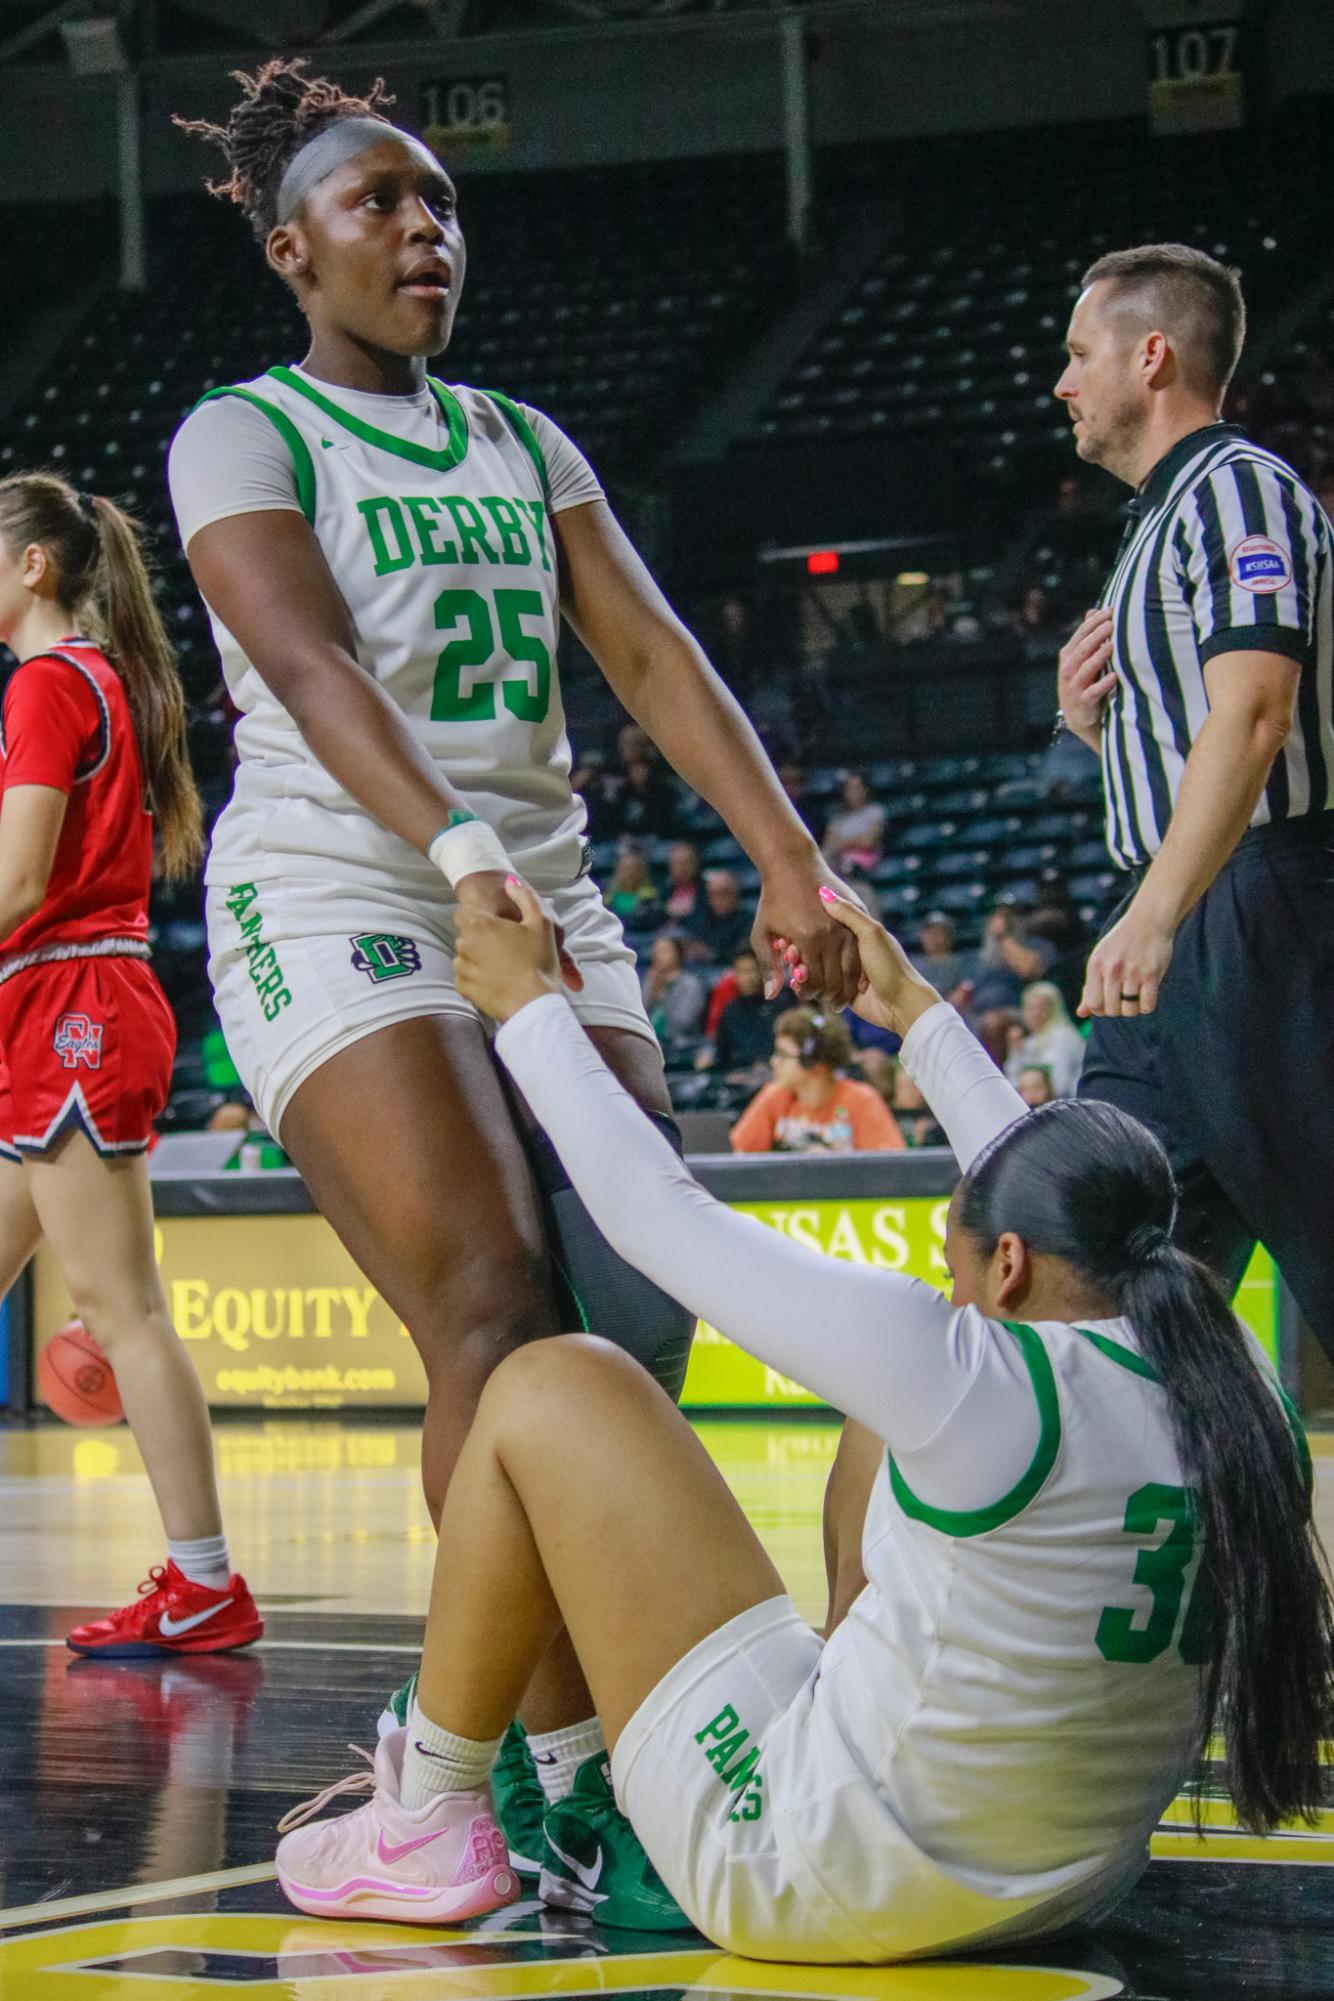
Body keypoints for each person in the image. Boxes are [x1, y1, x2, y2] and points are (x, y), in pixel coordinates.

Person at [169, 59, 858, 1908]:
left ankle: (509, 1733)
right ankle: (524, 1778)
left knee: (632, 1320)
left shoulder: (521, 438)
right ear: (289, 242)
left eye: (440, 204)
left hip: (537, 883)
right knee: (488, 1302)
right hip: (343, 882)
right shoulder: (241, 432)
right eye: (377, 202)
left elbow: (640, 644)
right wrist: (459, 850)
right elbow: (310, 665)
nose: (420, 229)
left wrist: (787, 854)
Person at [274, 882, 1331, 1963]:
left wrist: (531, 1007)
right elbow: (1052, 1181)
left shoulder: (981, 1381)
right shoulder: (1231, 1372)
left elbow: (653, 1214)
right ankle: (818, 1715)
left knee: (553, 1382)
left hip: (814, 1880)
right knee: (884, 1433)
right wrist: (916, 1015)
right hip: (1060, 1885)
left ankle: (426, 1816)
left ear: (1006, 1265)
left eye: (966, 1264)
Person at [0, 472, 261, 1657]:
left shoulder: (50, 685)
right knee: (118, 1305)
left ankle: (204, 1581)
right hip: (70, 995)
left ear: (33, 566)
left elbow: (15, 884)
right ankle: (202, 1580)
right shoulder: (102, 675)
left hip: (71, 1003)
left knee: (123, 1313)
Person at [1055, 243, 1334, 1352]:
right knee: (1108, 1267)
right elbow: (1209, 725)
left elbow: (1255, 714)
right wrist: (1102, 735)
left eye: (1079, 354)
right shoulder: (1157, 522)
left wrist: (1156, 913)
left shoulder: (1237, 490)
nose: (1062, 383)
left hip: (1255, 910)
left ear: (1151, 355)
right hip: (1184, 911)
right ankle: (1176, 1522)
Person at [730, 1007, 904, 1154]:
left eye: (782, 1055)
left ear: (814, 1062)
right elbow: (738, 1156)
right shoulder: (774, 1095)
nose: (773, 1062)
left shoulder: (861, 1100)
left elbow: (891, 1168)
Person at [693, 945, 781, 1089]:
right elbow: (721, 1050)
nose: (748, 978)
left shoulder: (780, 1002)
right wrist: (709, 1057)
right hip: (737, 1078)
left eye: (752, 970)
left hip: (771, 1077)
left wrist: (764, 1064)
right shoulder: (730, 1010)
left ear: (762, 971)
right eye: (742, 972)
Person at [1005, 981, 1086, 1098]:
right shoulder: (1031, 1041)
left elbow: (1060, 1085)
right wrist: (1016, 1052)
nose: (1035, 1014)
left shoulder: (1063, 1037)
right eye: (1029, 1008)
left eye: (1040, 1008)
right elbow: (1014, 1084)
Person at [640, 934, 705, 1059]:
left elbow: (681, 1024)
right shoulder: (650, 981)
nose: (658, 956)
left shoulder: (690, 984)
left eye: (664, 951)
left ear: (678, 953)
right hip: (650, 1041)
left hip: (680, 1045)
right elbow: (641, 1015)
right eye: (656, 951)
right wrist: (653, 992)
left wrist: (663, 994)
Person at [682, 869, 754, 968]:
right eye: (713, 895)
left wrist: (713, 955)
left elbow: (743, 954)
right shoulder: (701, 918)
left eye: (723, 894)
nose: (718, 900)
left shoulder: (748, 921)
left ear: (735, 894)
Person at [821, 771, 885, 876]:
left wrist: (842, 843)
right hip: (837, 865)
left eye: (857, 788)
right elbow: (829, 846)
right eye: (849, 788)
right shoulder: (837, 817)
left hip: (864, 868)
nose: (852, 792)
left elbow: (868, 841)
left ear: (865, 790)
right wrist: (855, 841)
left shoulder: (875, 811)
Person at [601, 847, 661, 932]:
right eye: (624, 869)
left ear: (641, 871)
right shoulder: (606, 897)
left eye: (633, 869)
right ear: (617, 871)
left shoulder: (650, 896)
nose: (629, 873)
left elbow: (651, 922)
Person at [662, 839, 701, 923]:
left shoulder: (707, 889)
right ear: (670, 866)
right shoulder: (662, 888)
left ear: (695, 864)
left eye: (686, 863)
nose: (682, 868)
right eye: (677, 863)